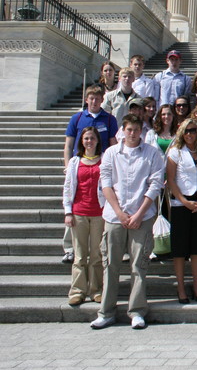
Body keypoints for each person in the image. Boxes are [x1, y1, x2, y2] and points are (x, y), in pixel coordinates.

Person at [90, 115, 165, 330]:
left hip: (142, 215)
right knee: (110, 264)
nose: (132, 134)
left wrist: (139, 213)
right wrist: (119, 212)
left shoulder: (152, 153)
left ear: (142, 131)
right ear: (122, 130)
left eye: (136, 130)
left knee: (138, 265)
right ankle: (106, 311)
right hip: (115, 216)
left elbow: (155, 185)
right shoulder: (111, 154)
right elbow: (105, 184)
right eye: (129, 129)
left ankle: (137, 311)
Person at [166, 119, 197, 303]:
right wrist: (184, 201)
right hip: (181, 203)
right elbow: (170, 179)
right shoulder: (175, 151)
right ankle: (181, 289)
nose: (190, 134)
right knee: (180, 249)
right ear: (181, 132)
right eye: (186, 131)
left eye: (193, 131)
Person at [62, 126, 104, 306]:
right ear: (82, 141)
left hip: (99, 213)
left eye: (92, 138)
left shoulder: (104, 160)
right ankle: (78, 291)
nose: (89, 141)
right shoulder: (74, 162)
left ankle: (96, 290)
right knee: (79, 255)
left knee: (96, 254)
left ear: (97, 141)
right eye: (86, 138)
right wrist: (68, 211)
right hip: (79, 212)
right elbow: (68, 187)